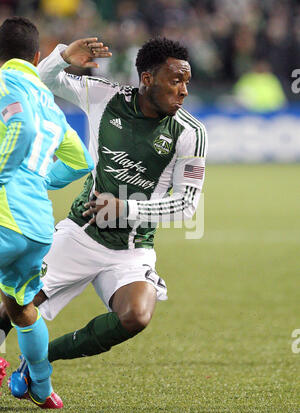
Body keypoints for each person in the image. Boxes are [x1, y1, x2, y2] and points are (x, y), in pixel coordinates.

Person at [1, 35, 207, 378]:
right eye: (175, 81)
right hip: (80, 234)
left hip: (131, 249)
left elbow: (186, 205)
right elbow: (43, 80)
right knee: (15, 304)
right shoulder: (104, 96)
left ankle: (39, 361)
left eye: (186, 81)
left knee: (137, 315)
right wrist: (64, 56)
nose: (184, 90)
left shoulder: (189, 132)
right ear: (146, 79)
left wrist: (125, 209)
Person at [0, 17, 94, 407]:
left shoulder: (5, 84)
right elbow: (81, 160)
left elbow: (17, 125)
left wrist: (6, 174)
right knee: (21, 308)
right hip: (38, 224)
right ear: (36, 55)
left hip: (6, 213)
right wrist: (38, 181)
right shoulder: (49, 103)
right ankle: (42, 387)